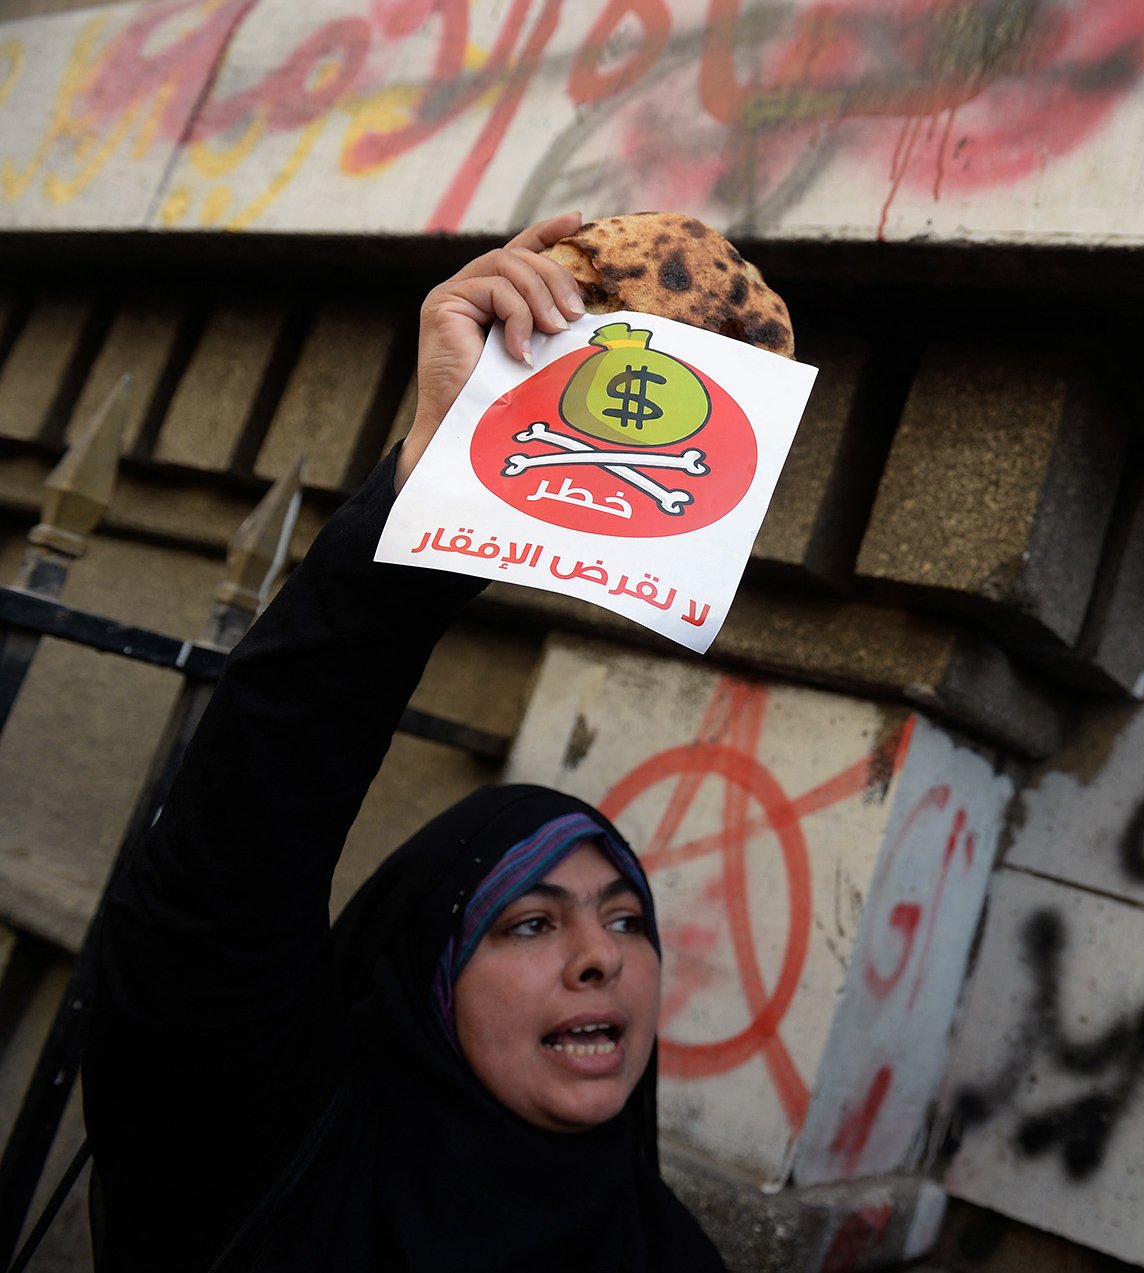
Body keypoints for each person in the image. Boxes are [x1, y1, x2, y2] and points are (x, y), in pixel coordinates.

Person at [80, 215, 727, 1271]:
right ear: (424, 975)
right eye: (528, 922)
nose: (601, 955)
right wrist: (436, 488)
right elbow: (234, 855)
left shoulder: (674, 1255)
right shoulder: (272, 1162)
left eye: (624, 916)